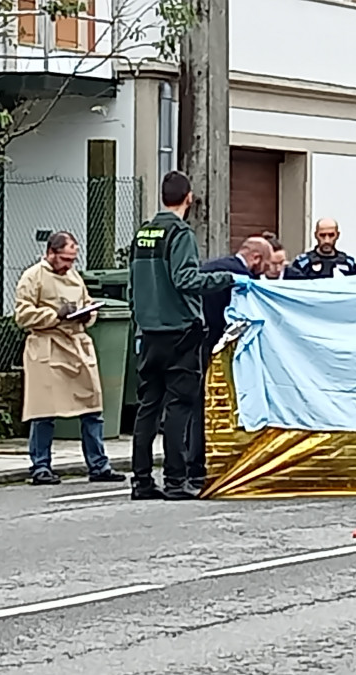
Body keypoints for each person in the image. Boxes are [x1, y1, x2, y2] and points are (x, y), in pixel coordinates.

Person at [128, 170, 247, 500]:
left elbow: (132, 284)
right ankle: (176, 480)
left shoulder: (143, 233)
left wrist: (139, 320)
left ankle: (141, 481)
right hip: (179, 331)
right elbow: (186, 279)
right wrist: (228, 279)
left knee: (148, 406)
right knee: (180, 405)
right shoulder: (180, 234)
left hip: (149, 331)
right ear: (189, 198)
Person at [14, 231, 126, 486]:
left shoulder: (74, 276)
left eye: (72, 259)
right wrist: (55, 314)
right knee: (43, 411)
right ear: (51, 253)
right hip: (48, 346)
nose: (69, 265)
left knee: (92, 407)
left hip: (75, 345)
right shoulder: (33, 277)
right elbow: (22, 315)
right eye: (65, 259)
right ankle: (40, 466)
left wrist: (88, 315)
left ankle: (99, 465)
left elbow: (87, 303)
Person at [186, 236, 273, 490]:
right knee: (206, 406)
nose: (263, 272)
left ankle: (188, 465)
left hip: (192, 340)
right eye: (265, 265)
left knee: (190, 405)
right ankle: (199, 464)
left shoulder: (210, 266)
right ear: (256, 258)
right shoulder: (238, 277)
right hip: (214, 345)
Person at [291, 218, 356, 279]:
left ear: (338, 235)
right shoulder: (302, 262)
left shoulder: (349, 263)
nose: (327, 240)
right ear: (316, 235)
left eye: (331, 235)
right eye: (322, 235)